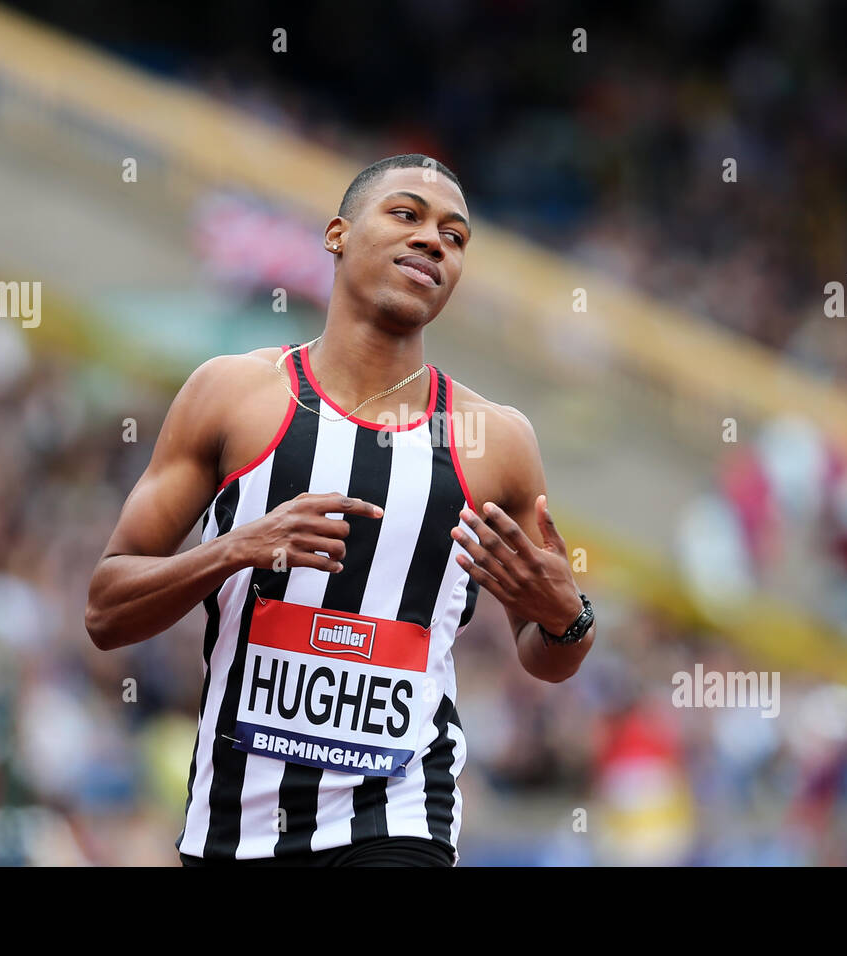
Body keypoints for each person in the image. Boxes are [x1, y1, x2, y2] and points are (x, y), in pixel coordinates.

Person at [84, 154, 597, 866]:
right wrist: (235, 547)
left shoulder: (496, 441)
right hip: (233, 826)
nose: (433, 242)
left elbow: (549, 659)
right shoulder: (233, 394)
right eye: (407, 215)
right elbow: (106, 612)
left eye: (455, 236)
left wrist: (570, 617)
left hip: (399, 816)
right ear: (336, 235)